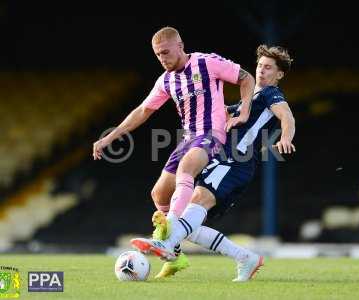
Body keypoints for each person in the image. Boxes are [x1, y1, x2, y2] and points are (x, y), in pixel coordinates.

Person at [132, 44, 296, 282]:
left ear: (279, 74)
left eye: (268, 68)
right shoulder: (246, 100)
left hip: (236, 160)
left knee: (196, 203)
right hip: (221, 158)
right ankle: (245, 257)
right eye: (260, 65)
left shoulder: (272, 95)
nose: (261, 71)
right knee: (191, 222)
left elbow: (287, 117)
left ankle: (165, 243)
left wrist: (286, 137)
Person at [93, 27, 255, 231]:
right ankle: (177, 251)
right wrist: (109, 137)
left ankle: (169, 232)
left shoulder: (206, 62)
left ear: (180, 46)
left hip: (211, 133)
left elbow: (246, 78)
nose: (162, 58)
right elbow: (143, 110)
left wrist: (244, 112)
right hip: (188, 139)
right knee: (159, 194)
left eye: (165, 52)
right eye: (158, 54)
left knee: (185, 169)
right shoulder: (165, 80)